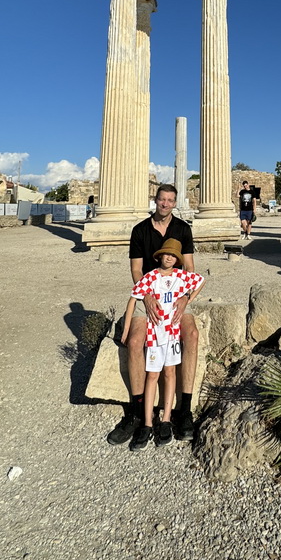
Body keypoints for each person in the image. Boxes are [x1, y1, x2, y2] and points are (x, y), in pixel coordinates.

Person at [106, 184, 198, 446]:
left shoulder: (183, 229)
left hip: (177, 294)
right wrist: (146, 296)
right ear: (155, 201)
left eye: (170, 201)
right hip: (148, 295)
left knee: (191, 334)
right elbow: (136, 270)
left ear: (174, 203)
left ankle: (184, 410)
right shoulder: (139, 231)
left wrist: (185, 298)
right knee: (135, 342)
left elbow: (190, 269)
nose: (165, 204)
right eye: (162, 200)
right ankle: (136, 414)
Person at [121, 239, 205, 451]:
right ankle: (148, 422)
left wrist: (188, 299)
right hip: (154, 334)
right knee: (152, 375)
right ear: (159, 256)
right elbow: (133, 298)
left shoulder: (180, 276)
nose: (169, 257)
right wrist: (125, 328)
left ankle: (166, 419)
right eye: (166, 254)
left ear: (178, 259)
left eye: (173, 255)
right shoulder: (150, 277)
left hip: (172, 334)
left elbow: (200, 280)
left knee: (169, 373)